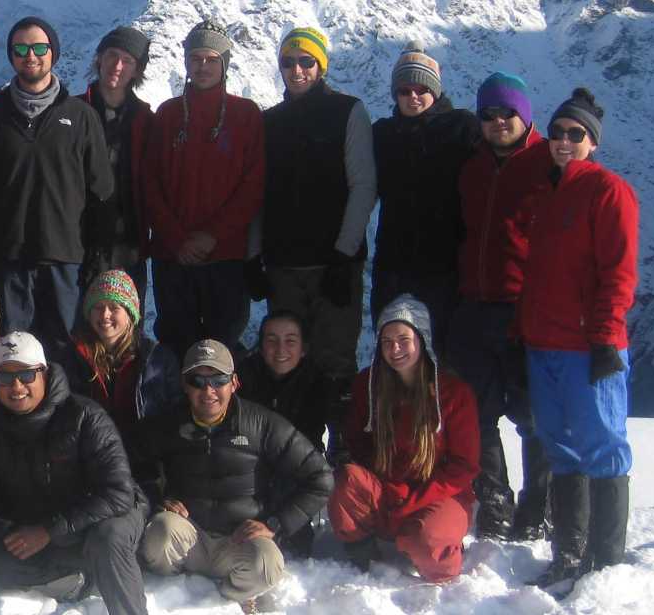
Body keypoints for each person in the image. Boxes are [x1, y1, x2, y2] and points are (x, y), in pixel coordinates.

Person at [0, 332, 147, 613]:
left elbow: (118, 494)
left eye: (26, 375)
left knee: (108, 539)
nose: (16, 386)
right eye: (4, 378)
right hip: (58, 525)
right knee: (2, 568)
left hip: (109, 513)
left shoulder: (85, 416)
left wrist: (47, 531)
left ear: (43, 373)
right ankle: (83, 578)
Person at [518, 88, 639, 592]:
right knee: (559, 446)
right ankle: (569, 552)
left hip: (587, 346)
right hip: (543, 343)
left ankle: (606, 559)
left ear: (592, 142)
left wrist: (607, 338)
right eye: (558, 133)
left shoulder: (609, 191)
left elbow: (618, 271)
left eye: (576, 135)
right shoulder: (548, 194)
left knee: (603, 446)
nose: (564, 142)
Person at [132, 340, 332, 610]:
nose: (208, 390)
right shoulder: (167, 424)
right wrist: (156, 498)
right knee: (159, 535)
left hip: (241, 539)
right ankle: (179, 592)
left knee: (267, 566)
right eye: (197, 381)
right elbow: (129, 465)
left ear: (234, 382)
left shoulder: (262, 424)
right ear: (184, 384)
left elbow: (320, 477)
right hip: (189, 535)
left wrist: (276, 523)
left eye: (219, 379)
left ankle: (226, 597)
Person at [0, 17, 113, 354]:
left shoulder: (81, 117)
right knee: (13, 351)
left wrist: (97, 259)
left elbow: (101, 193)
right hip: (7, 260)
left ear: (53, 53)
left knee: (68, 351)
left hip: (66, 260)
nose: (31, 55)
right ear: (11, 56)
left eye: (40, 47)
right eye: (21, 48)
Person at [449, 72, 552, 541]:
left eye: (506, 113)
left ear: (524, 115)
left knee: (533, 413)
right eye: (488, 114)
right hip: (475, 305)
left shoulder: (548, 163)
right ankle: (495, 499)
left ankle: (538, 504)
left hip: (525, 307)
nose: (497, 122)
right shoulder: (472, 167)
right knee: (478, 411)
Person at [329, 296, 478, 584]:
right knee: (346, 479)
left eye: (403, 339)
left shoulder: (453, 393)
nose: (394, 349)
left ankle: (429, 542)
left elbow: (464, 466)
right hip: (388, 489)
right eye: (386, 341)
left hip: (438, 494)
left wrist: (414, 500)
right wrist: (385, 484)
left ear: (422, 339)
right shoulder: (368, 384)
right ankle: (364, 552)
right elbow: (357, 443)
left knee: (432, 548)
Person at [254, 26, 375, 380]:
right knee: (286, 369)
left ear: (321, 65)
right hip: (283, 268)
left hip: (333, 269)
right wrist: (252, 256)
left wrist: (343, 254)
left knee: (334, 367)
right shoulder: (269, 122)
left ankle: (342, 438)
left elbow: (364, 185)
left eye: (306, 61)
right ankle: (291, 437)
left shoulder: (348, 112)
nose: (296, 70)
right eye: (288, 62)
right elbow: (258, 193)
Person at [145, 20, 265, 357]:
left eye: (211, 59)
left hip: (226, 257)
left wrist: (212, 236)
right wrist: (177, 237)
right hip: (173, 257)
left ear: (225, 63)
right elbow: (150, 182)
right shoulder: (167, 114)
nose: (203, 66)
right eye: (195, 58)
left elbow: (252, 185)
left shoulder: (246, 115)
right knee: (176, 348)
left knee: (222, 351)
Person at [370, 42, 481, 352]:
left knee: (445, 353)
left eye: (421, 88)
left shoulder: (461, 128)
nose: (413, 96)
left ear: (435, 89)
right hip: (393, 264)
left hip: (446, 266)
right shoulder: (383, 135)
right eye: (404, 90)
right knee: (392, 350)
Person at [233, 311, 339, 559]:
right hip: (249, 466)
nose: (280, 349)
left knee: (294, 545)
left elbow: (335, 436)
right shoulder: (242, 377)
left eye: (290, 340)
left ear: (304, 348)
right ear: (260, 345)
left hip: (296, 469)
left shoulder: (319, 382)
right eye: (271, 340)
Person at [79, 26, 155, 295]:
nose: (117, 65)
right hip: (79, 243)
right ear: (99, 57)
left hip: (129, 246)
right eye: (112, 55)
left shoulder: (146, 120)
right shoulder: (73, 112)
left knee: (125, 327)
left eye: (128, 60)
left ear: (137, 70)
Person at [60, 269, 181, 436]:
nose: (105, 315)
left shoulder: (158, 358)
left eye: (114, 308)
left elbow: (175, 412)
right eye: (98, 307)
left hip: (145, 451)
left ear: (130, 315)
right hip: (92, 449)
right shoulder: (73, 357)